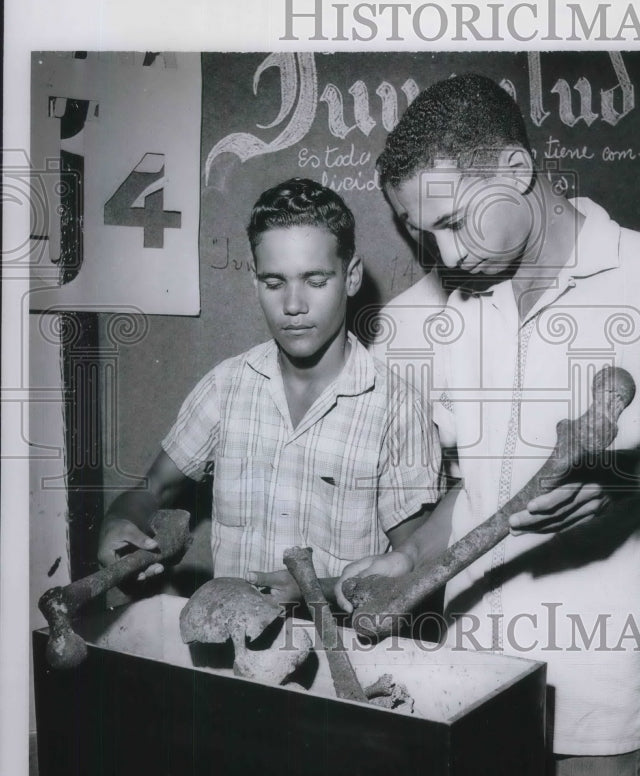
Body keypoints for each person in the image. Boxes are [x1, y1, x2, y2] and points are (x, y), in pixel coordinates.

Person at [336, 73, 640, 776]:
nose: (446, 256)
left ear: (517, 171)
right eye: (426, 234)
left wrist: (631, 478)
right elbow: (482, 487)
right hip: (479, 692)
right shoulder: (448, 308)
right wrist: (412, 560)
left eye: (455, 223)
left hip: (609, 698)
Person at [98, 178, 441, 600]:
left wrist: (317, 591)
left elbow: (415, 570)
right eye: (274, 282)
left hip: (341, 654)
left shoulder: (397, 409)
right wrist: (117, 520)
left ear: (351, 277)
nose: (293, 305)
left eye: (315, 280)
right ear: (254, 282)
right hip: (229, 655)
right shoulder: (226, 387)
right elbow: (155, 489)